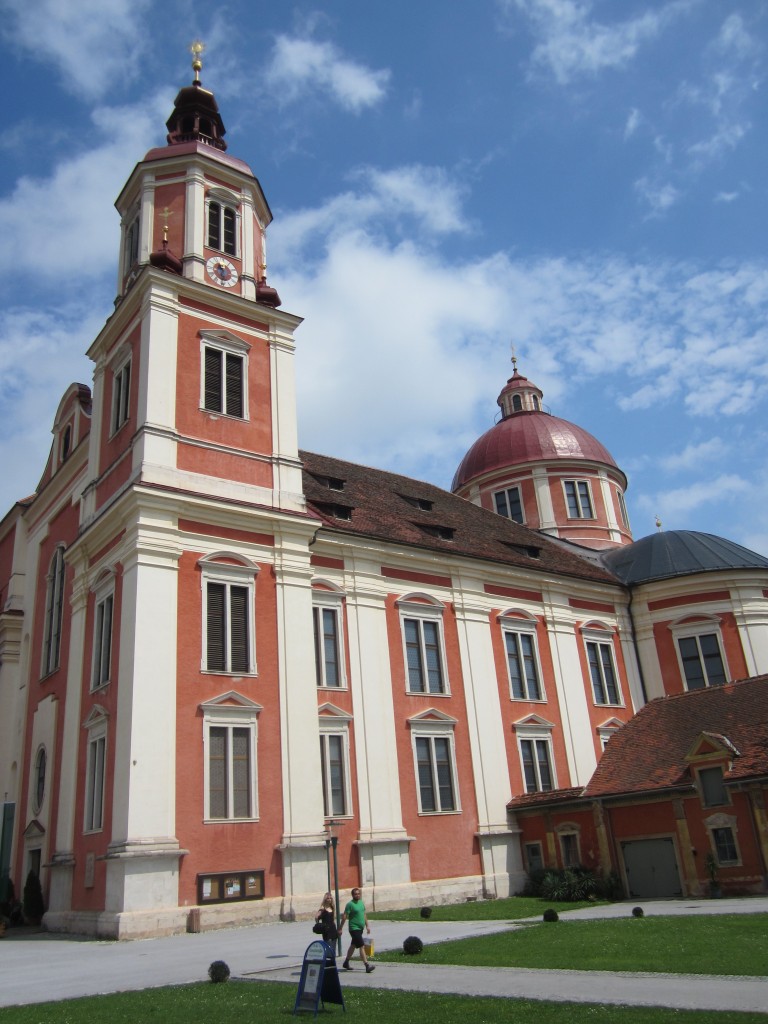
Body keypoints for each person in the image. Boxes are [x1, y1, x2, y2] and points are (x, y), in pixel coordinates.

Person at [338, 886, 375, 973]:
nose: (357, 895)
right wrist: (340, 928)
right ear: (352, 895)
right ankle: (367, 965)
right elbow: (344, 917)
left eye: (358, 894)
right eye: (355, 894)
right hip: (354, 928)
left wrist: (367, 926)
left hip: (360, 928)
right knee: (361, 946)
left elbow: (364, 915)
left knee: (353, 945)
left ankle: (346, 962)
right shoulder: (350, 904)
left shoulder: (361, 903)